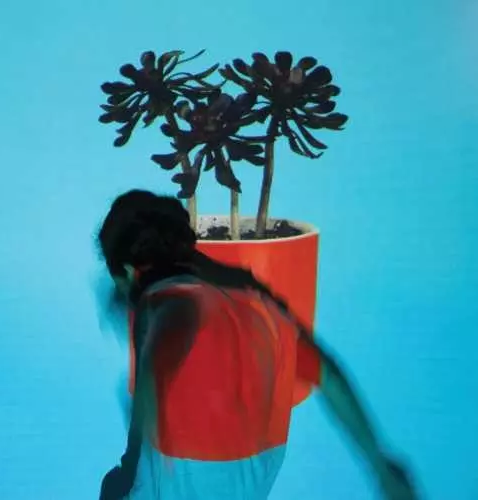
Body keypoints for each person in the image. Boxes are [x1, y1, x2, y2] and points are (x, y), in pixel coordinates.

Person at [96, 189, 418, 500]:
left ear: (129, 270)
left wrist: (130, 467)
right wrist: (381, 466)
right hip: (259, 468)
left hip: (192, 470)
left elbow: (155, 369)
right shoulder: (254, 298)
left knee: (116, 475)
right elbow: (329, 376)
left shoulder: (162, 302)